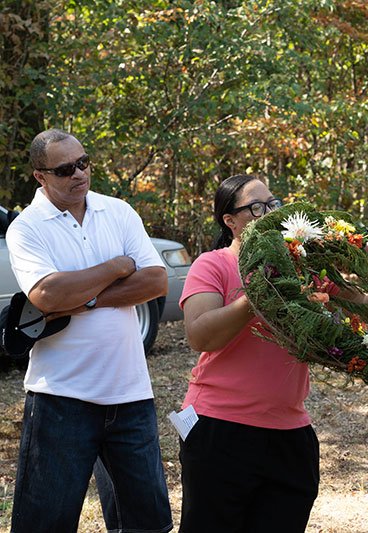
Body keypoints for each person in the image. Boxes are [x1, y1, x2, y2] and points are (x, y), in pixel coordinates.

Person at [7, 128, 172, 532]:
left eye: (84, 162)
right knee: (44, 523)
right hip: (61, 399)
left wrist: (87, 298)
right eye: (65, 169)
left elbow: (155, 282)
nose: (79, 173)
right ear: (40, 177)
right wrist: (116, 267)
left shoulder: (117, 211)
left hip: (130, 394)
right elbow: (48, 293)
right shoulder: (27, 228)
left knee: (146, 523)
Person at [177, 174, 319, 532]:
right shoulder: (213, 265)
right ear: (230, 220)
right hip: (220, 431)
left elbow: (351, 311)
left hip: (290, 434)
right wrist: (256, 297)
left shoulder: (299, 269)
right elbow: (200, 334)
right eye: (257, 208)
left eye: (274, 204)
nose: (270, 214)